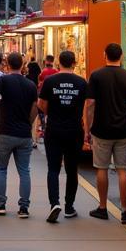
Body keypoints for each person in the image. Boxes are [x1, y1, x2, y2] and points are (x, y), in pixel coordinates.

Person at [83, 42, 126, 222]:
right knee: (123, 169)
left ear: (104, 55)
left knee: (102, 168)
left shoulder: (97, 76)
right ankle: (125, 210)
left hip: (102, 129)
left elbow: (90, 103)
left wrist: (87, 128)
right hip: (123, 129)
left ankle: (102, 207)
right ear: (121, 56)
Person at [0, 52, 39, 218]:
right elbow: (35, 108)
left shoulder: (3, 80)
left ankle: (0, 204)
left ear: (7, 65)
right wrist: (27, 123)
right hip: (23, 133)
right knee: (24, 171)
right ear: (22, 65)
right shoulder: (30, 84)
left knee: (1, 170)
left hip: (4, 132)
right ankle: (24, 208)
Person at [38, 49, 88, 222]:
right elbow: (86, 106)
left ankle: (54, 204)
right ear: (74, 63)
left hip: (54, 129)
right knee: (72, 169)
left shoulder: (50, 80)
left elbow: (41, 104)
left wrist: (52, 113)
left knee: (53, 168)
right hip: (74, 130)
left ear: (59, 63)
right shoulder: (82, 82)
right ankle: (69, 206)